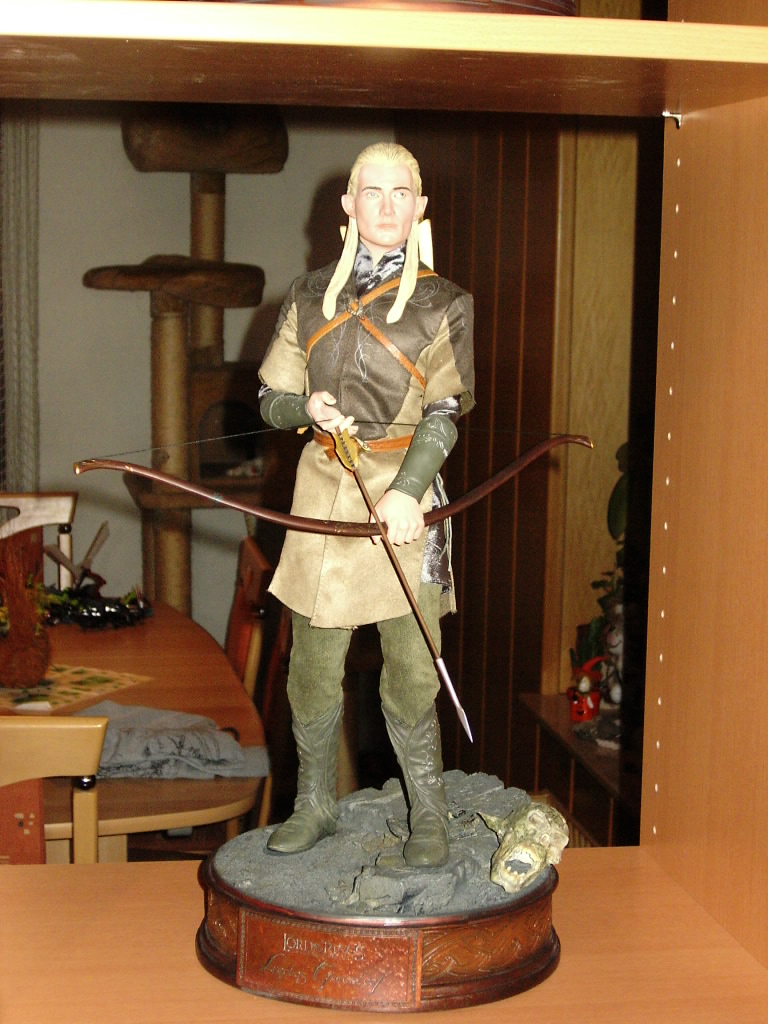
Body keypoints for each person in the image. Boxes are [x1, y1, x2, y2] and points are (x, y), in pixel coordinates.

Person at [258, 142, 474, 868]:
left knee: (412, 670)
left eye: (400, 193)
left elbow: (444, 411)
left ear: (420, 207)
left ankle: (428, 814)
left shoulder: (445, 303)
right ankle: (314, 802)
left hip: (403, 501)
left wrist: (409, 491)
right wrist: (305, 407)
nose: (386, 207)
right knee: (313, 669)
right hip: (325, 494)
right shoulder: (307, 294)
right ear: (348, 205)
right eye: (372, 193)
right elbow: (271, 396)